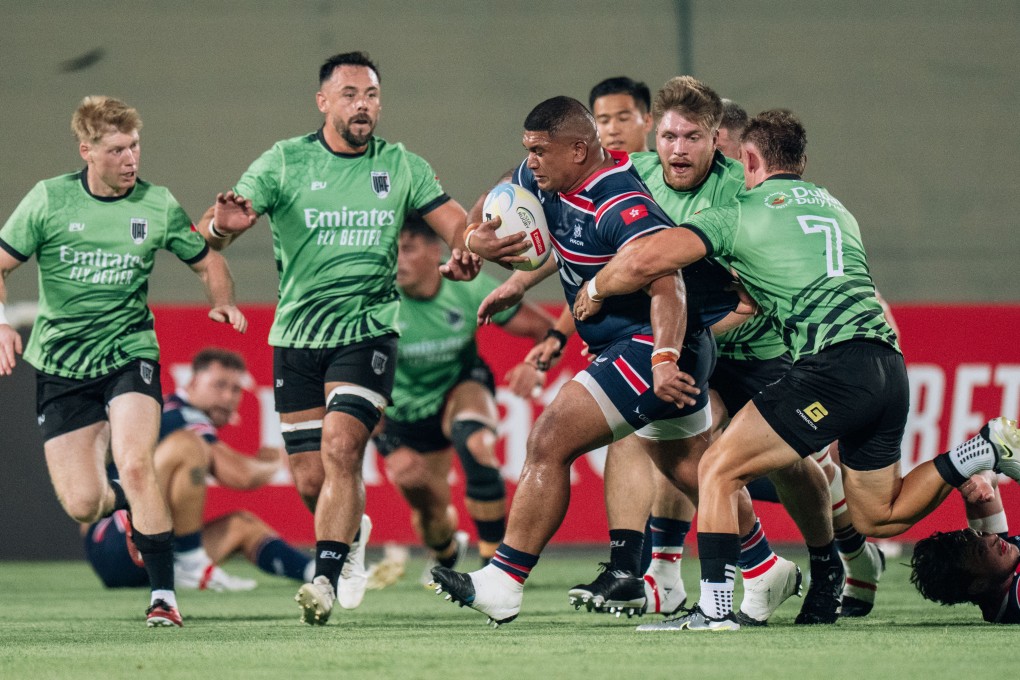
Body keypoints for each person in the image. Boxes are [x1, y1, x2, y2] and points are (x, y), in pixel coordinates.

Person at [573, 108, 1020, 630]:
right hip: (887, 366)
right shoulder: (836, 208)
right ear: (802, 161)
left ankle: (715, 611)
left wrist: (594, 290)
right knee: (880, 515)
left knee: (718, 467)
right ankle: (982, 448)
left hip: (833, 367)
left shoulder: (739, 212)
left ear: (750, 159)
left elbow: (647, 259)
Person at [430, 96, 781, 627]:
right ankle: (764, 565)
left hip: (658, 342)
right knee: (688, 467)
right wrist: (473, 240)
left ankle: (504, 579)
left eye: (541, 153)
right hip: (639, 343)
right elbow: (504, 187)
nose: (533, 163)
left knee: (549, 439)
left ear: (578, 149)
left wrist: (664, 360)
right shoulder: (547, 173)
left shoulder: (618, 203)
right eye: (530, 152)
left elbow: (669, 284)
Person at [202, 51, 480, 626]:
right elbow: (221, 225)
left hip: (369, 331)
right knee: (309, 477)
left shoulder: (400, 165)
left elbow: (457, 223)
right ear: (323, 102)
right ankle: (350, 540)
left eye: (372, 95)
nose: (363, 105)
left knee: (341, 448)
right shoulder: (285, 162)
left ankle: (324, 579)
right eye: (350, 94)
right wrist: (220, 226)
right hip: (298, 336)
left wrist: (475, 244)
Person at [0, 95, 247, 627]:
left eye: (135, 145)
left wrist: (222, 302)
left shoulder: (156, 204)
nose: (131, 158)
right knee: (84, 504)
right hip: (62, 366)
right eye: (117, 149)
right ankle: (134, 507)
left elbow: (207, 262)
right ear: (87, 151)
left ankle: (164, 597)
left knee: (137, 464)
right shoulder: (48, 201)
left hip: (128, 354)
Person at [372, 215, 553, 577]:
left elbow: (542, 328)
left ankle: (496, 568)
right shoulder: (379, 305)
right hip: (402, 414)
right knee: (430, 515)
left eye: (406, 249)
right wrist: (391, 448)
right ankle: (447, 553)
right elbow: (360, 386)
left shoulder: (467, 288)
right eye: (391, 252)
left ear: (433, 250)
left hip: (460, 385)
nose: (397, 261)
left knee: (477, 443)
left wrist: (535, 366)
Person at [83, 348, 318, 593]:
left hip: (133, 548)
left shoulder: (172, 413)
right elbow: (241, 475)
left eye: (236, 389)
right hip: (118, 542)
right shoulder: (180, 413)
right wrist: (274, 463)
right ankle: (192, 562)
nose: (228, 396)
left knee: (242, 526)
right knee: (189, 445)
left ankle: (320, 573)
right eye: (219, 385)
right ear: (193, 382)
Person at [910, 478, 1020, 624]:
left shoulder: (1002, 565)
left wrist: (983, 477)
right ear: (978, 585)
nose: (993, 537)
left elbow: (981, 473)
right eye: (980, 551)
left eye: (982, 534)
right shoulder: (1016, 596)